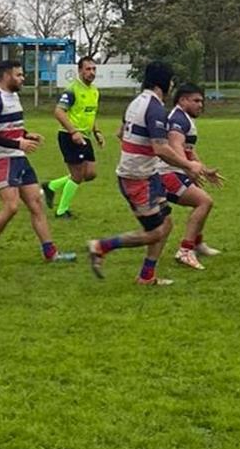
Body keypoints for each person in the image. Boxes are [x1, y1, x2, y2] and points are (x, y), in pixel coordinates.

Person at [87, 61, 206, 287]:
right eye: (171, 80)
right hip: (136, 178)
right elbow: (161, 148)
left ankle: (146, 275)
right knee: (154, 233)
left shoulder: (135, 103)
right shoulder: (154, 107)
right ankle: (101, 247)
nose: (172, 85)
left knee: (166, 224)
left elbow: (121, 133)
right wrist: (189, 165)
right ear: (162, 82)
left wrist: (138, 150)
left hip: (147, 175)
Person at [0, 61, 78, 269]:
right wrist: (18, 142)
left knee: (36, 202)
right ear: (7, 76)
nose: (22, 78)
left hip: (17, 156)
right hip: (0, 158)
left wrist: (26, 134)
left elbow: (10, 126)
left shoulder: (14, 97)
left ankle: (51, 252)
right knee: (11, 206)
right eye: (19, 75)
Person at [163, 83, 225, 271]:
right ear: (182, 100)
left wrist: (204, 170)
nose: (200, 104)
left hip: (176, 170)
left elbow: (189, 150)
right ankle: (185, 250)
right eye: (196, 100)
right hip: (166, 173)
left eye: (202, 101)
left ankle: (196, 244)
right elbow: (175, 146)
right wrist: (188, 168)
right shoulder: (178, 120)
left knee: (204, 202)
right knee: (204, 202)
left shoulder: (184, 118)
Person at [39, 56, 105, 219]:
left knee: (90, 174)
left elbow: (91, 113)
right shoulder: (72, 89)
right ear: (80, 70)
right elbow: (59, 112)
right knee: (77, 175)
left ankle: (51, 186)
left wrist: (97, 132)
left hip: (85, 136)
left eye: (94, 69)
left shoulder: (95, 91)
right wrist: (73, 132)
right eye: (88, 69)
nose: (91, 72)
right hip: (69, 136)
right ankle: (62, 211)